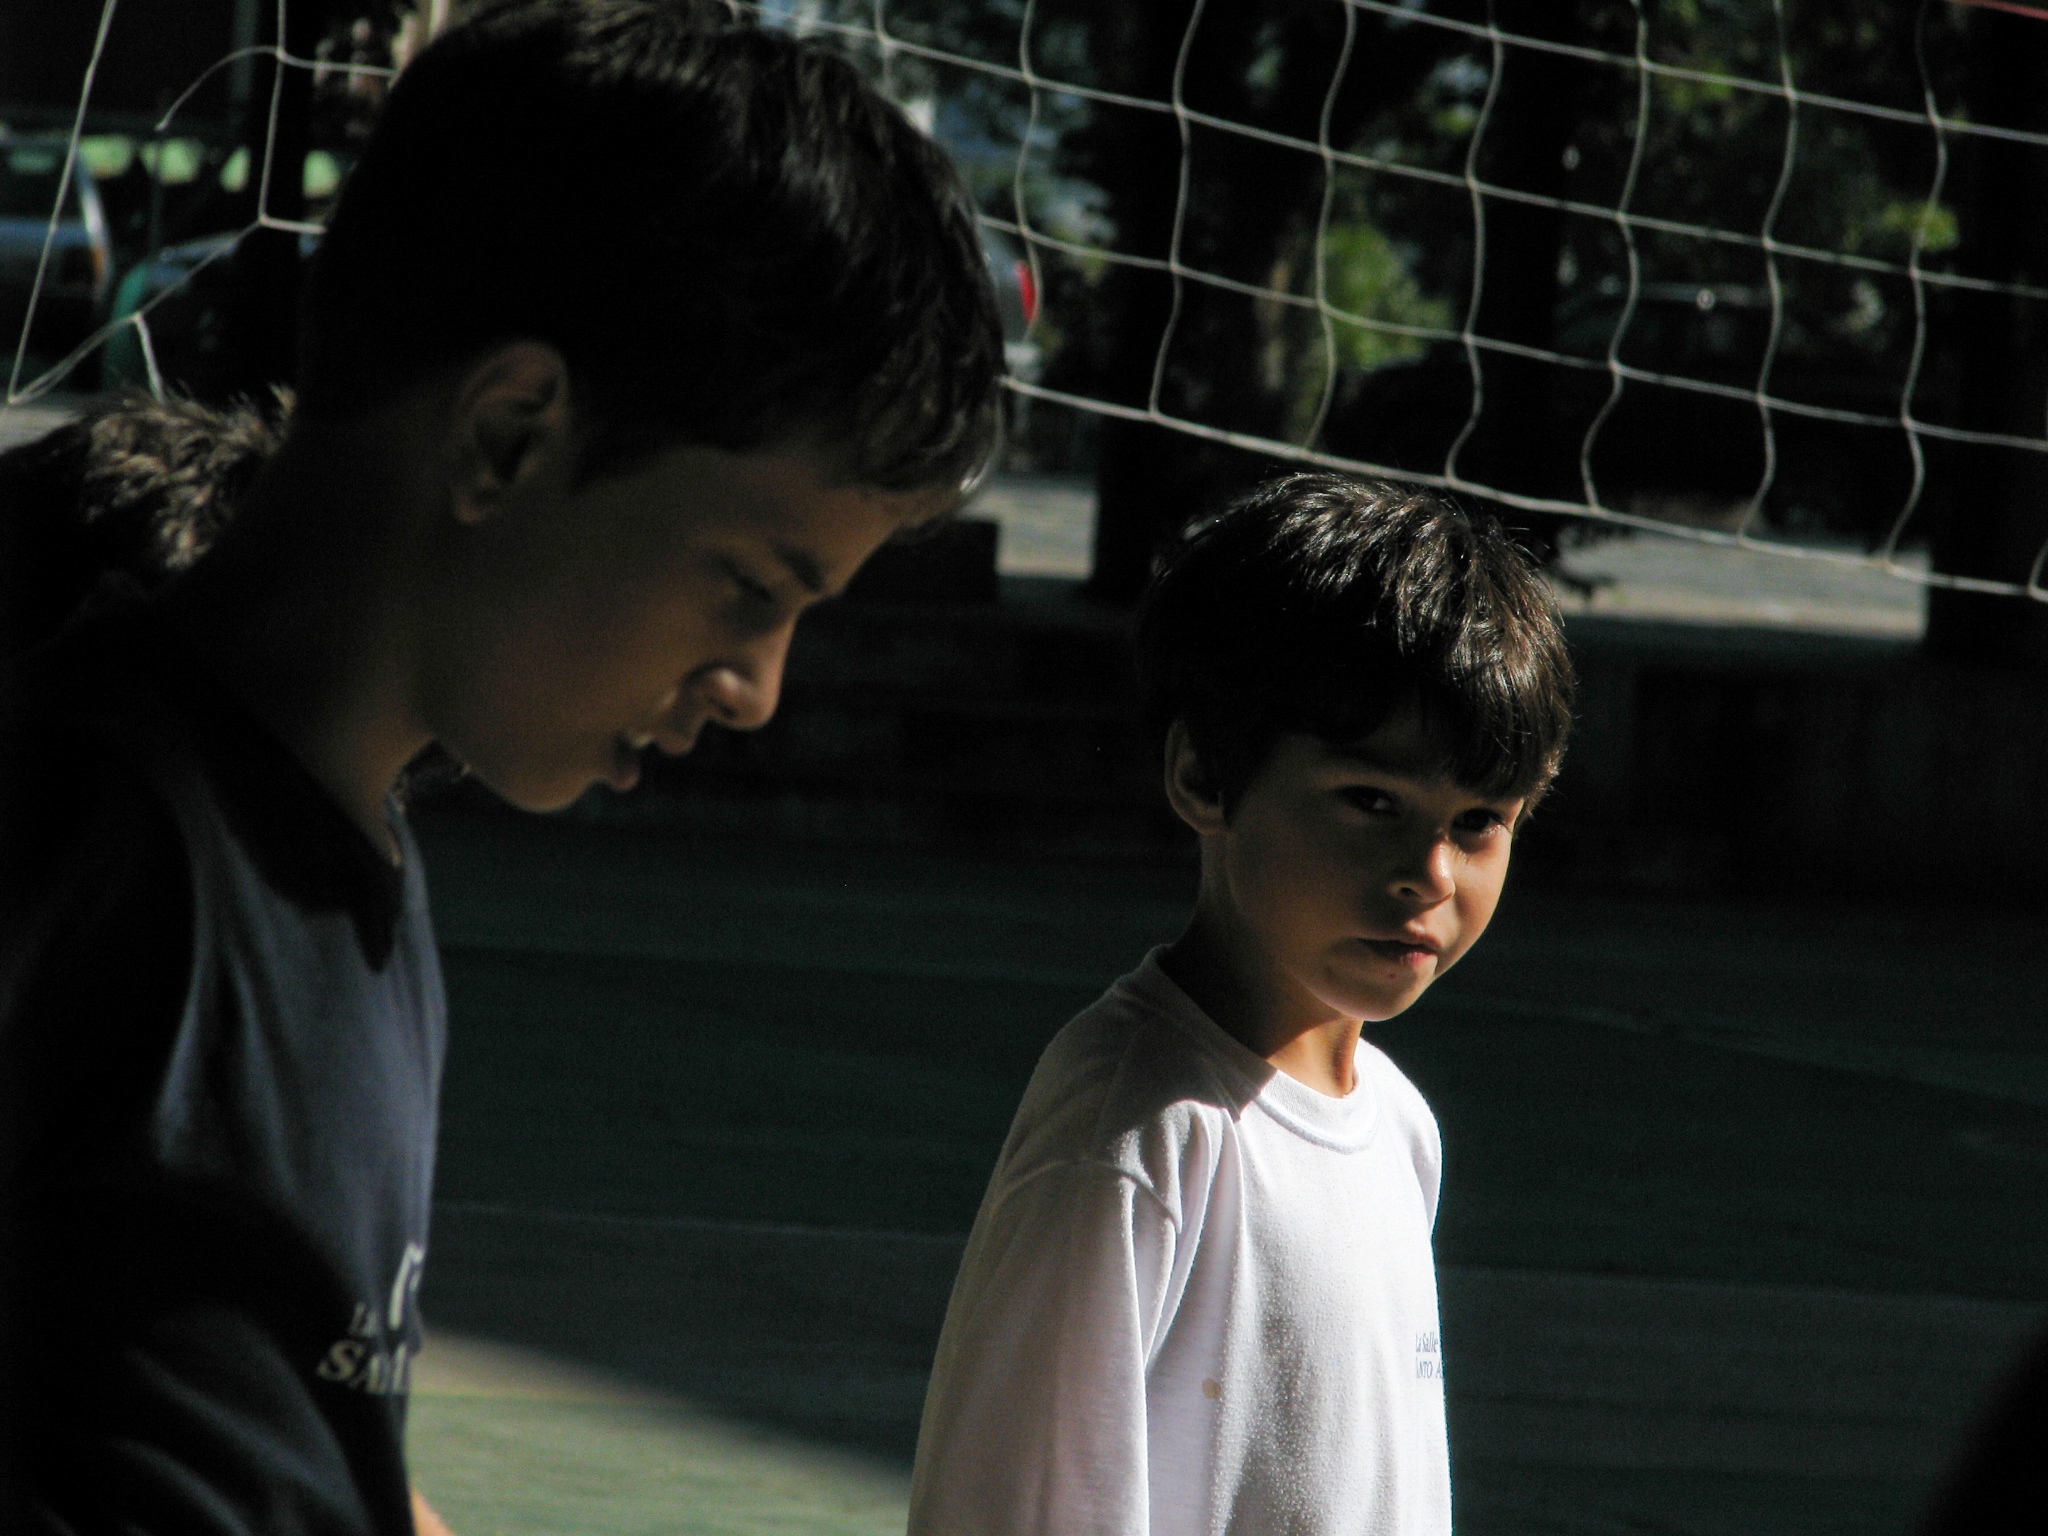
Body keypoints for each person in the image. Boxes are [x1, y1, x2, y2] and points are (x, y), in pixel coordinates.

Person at [0, 0, 1003, 1531]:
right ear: (510, 437)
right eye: (749, 586)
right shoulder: (88, 832)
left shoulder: (354, 874)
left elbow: (274, 1429)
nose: (757, 692)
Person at [908, 475, 1575, 1536]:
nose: (1429, 875)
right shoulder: (1138, 1131)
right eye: (1370, 802)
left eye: (1478, 823)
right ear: (1204, 777)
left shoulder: (1400, 1129)